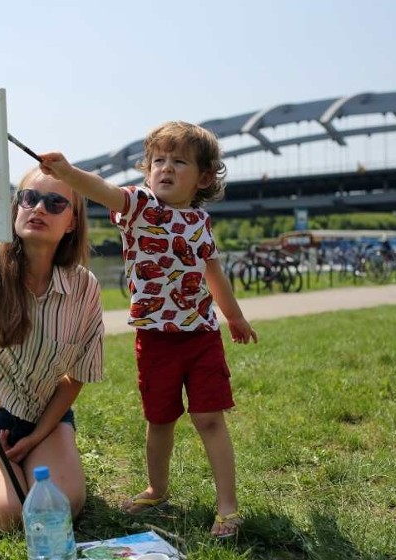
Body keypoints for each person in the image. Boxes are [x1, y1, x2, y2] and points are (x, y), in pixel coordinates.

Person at [39, 121, 258, 538]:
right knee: (160, 420)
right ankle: (157, 488)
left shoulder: (200, 221)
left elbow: (214, 273)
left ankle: (228, 508)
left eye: (179, 161)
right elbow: (104, 189)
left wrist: (233, 315)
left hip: (201, 338)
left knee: (210, 418)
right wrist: (68, 174)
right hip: (155, 340)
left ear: (205, 177)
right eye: (159, 160)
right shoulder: (140, 206)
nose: (166, 168)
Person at [0, 77, 104, 531]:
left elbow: (76, 378)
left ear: (72, 223)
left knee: (61, 506)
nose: (39, 208)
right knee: (7, 514)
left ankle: (26, 461)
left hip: (43, 418)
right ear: (15, 207)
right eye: (29, 198)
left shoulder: (85, 287)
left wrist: (39, 434)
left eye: (55, 203)